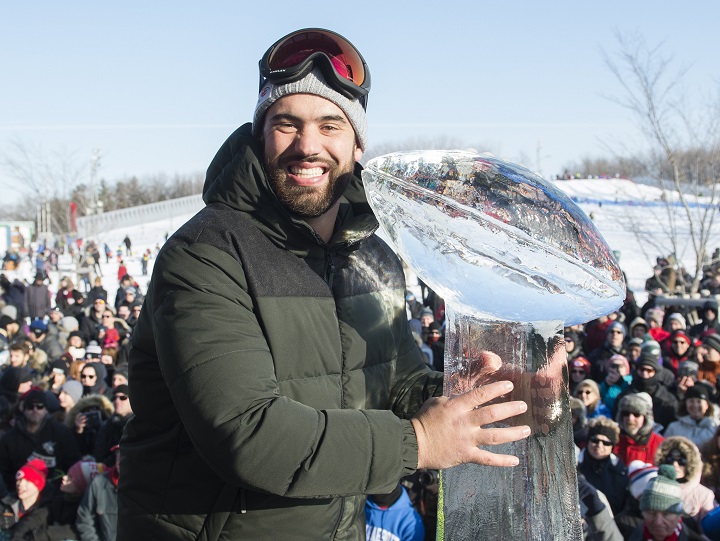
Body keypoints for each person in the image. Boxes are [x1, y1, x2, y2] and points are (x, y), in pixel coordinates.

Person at [118, 28, 530, 540]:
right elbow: (247, 435)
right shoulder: (207, 253)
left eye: (330, 125)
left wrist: (503, 393)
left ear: (357, 144)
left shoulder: (373, 257)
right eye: (286, 124)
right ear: (259, 134)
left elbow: (397, 387)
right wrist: (419, 442)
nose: (307, 146)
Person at [0, 388, 80, 491]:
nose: (35, 410)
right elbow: (3, 472)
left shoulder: (61, 433)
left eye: (40, 406)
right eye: (30, 406)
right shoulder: (10, 439)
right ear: (23, 409)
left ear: (46, 409)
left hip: (53, 495)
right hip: (18, 493)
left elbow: (73, 463)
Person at [654, 436, 717, 523]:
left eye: (681, 461)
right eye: (670, 459)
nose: (675, 465)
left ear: (691, 462)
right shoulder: (653, 487)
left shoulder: (704, 495)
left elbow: (706, 532)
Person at [576, 417, 628, 515]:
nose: (599, 445)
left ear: (612, 446)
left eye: (606, 443)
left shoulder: (620, 471)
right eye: (595, 440)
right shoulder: (575, 465)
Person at [76, 445, 119, 541]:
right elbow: (85, 520)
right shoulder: (98, 483)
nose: (121, 459)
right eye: (119, 454)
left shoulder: (147, 487)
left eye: (127, 454)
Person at [615, 392, 665, 466]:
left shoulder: (660, 444)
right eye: (626, 413)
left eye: (636, 414)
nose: (630, 419)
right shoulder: (613, 440)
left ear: (645, 418)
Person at [664, 383, 718, 448]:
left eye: (699, 401)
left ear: (707, 405)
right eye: (691, 401)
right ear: (685, 404)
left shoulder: (715, 428)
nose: (695, 405)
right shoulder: (674, 428)